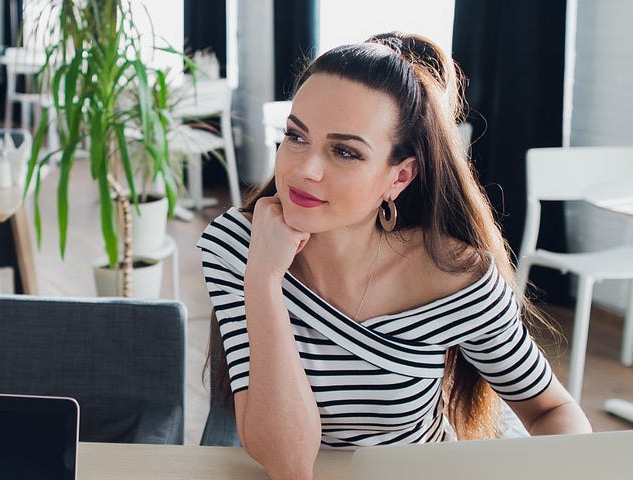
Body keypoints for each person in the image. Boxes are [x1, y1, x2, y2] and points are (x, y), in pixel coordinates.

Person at [197, 32, 592, 479]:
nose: (304, 170)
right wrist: (265, 280)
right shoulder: (236, 247)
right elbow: (289, 464)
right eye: (295, 136)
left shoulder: (454, 275)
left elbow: (549, 409)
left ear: (399, 177)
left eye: (345, 151)